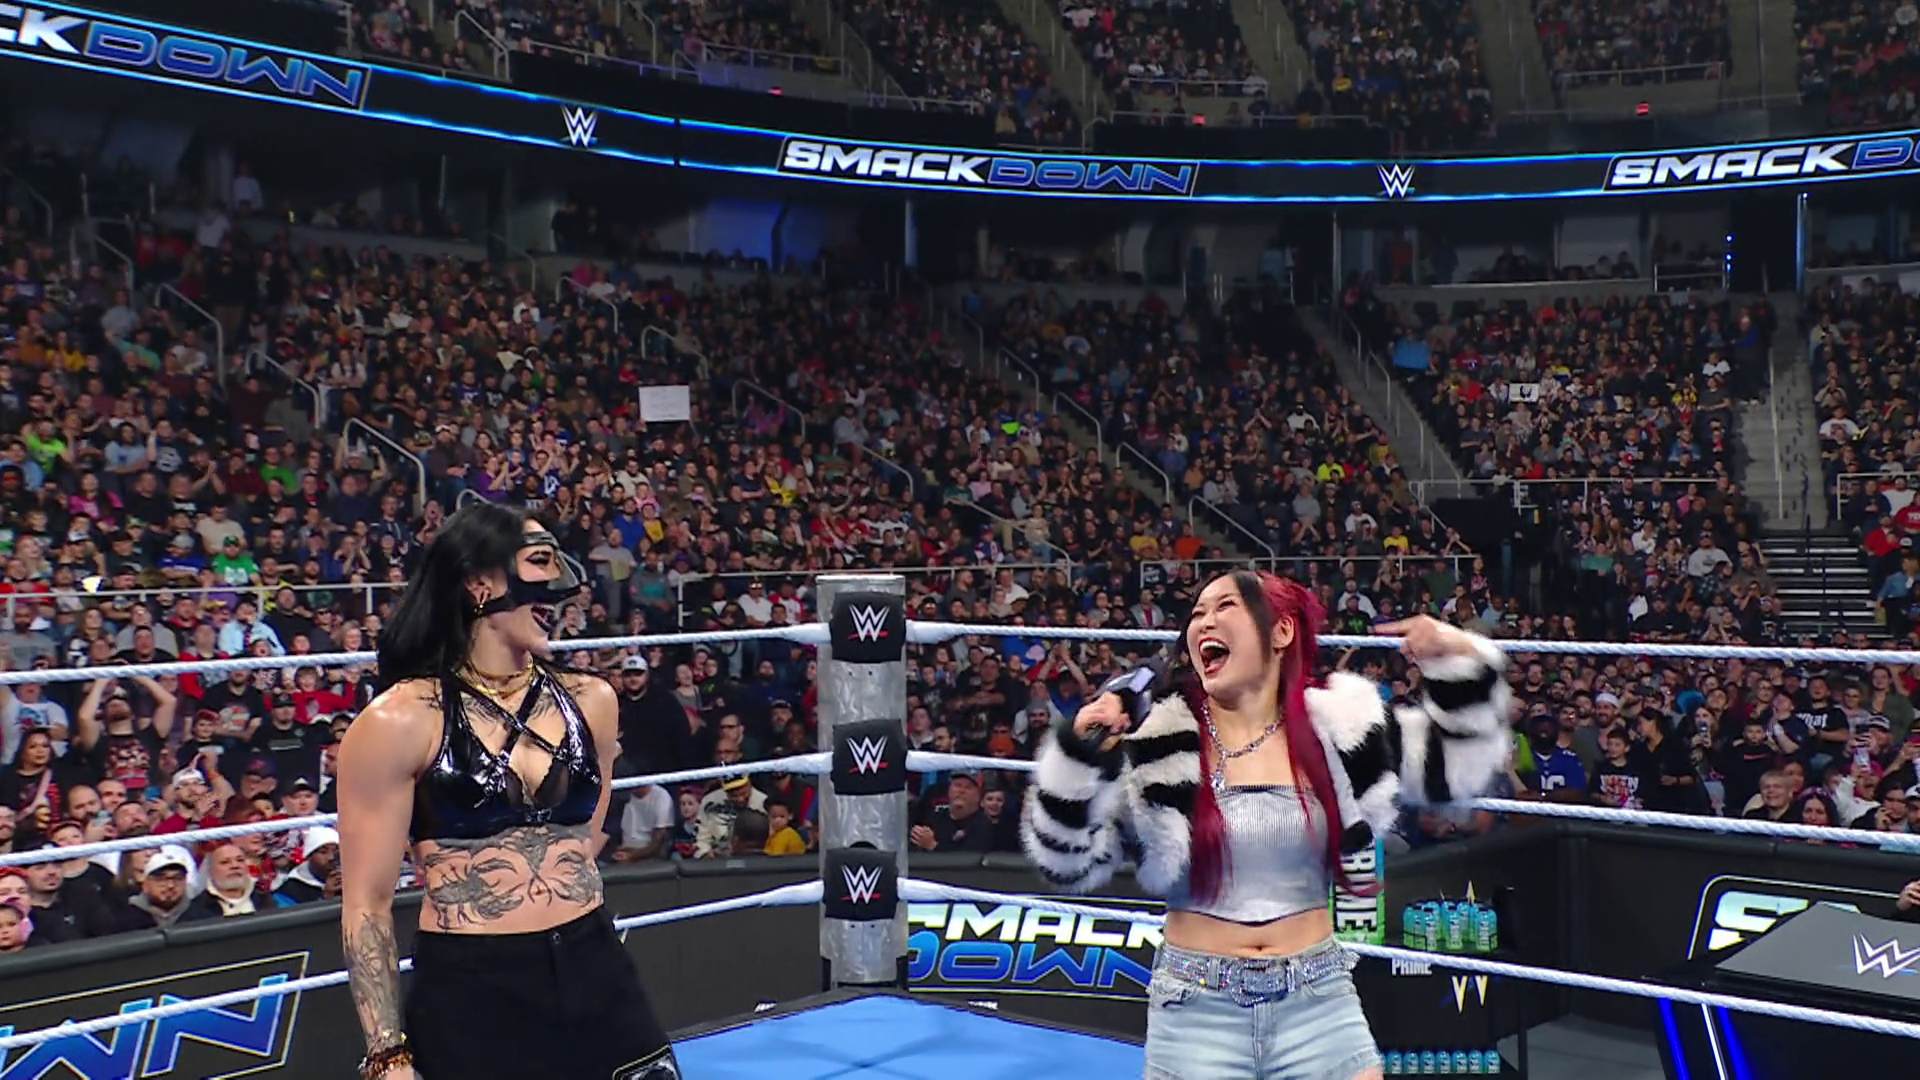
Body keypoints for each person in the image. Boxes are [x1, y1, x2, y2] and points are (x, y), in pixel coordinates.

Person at [1024, 571, 1512, 1080]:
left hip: (1318, 997)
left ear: (1281, 631)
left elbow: (1459, 770)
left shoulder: (1340, 725)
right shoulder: (1156, 739)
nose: (1204, 622)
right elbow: (1065, 865)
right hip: (1196, 1009)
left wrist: (1456, 660)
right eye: (1197, 613)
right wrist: (1079, 757)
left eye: (1225, 606)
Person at [336, 503, 679, 1080]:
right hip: (473, 986)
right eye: (540, 562)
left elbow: (587, 839)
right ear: (480, 584)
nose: (561, 586)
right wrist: (387, 1054)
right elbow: (367, 904)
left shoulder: (593, 701)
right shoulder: (400, 721)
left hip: (595, 965)